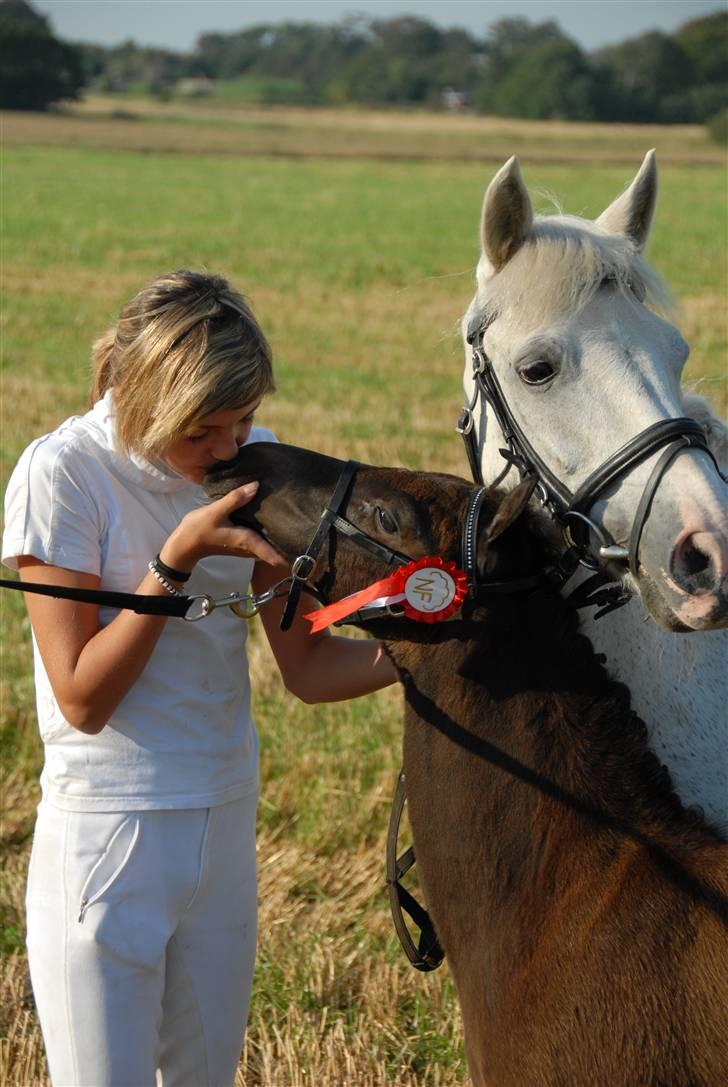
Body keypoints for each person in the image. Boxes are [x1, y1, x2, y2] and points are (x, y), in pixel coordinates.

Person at [2, 269, 398, 1087]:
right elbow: (81, 697)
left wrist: (422, 654)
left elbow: (312, 667)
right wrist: (176, 560)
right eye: (204, 429)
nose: (229, 448)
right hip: (109, 841)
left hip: (224, 822)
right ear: (147, 398)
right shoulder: (62, 475)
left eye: (245, 419)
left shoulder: (249, 467)